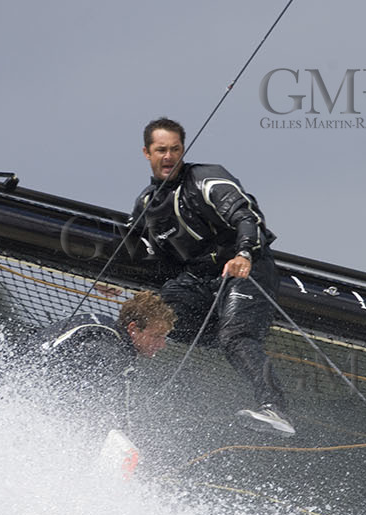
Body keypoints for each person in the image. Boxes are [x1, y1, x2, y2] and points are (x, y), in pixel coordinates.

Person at [127, 117, 294, 435]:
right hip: (198, 280)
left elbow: (248, 217)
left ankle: (275, 408)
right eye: (161, 150)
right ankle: (134, 401)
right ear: (147, 153)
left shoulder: (206, 179)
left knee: (236, 337)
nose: (168, 156)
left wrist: (243, 252)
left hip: (244, 267)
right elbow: (136, 252)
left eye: (175, 149)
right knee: (155, 316)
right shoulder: (147, 204)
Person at [35, 290, 176, 386]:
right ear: (133, 328)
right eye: (156, 336)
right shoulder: (108, 347)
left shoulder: (102, 324)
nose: (162, 345)